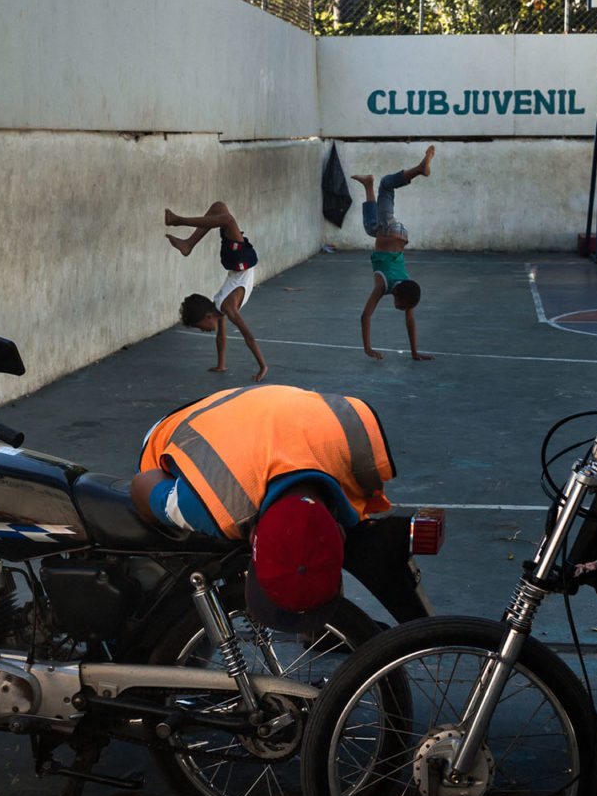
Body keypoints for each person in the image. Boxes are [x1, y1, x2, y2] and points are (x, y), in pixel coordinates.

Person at [130, 384, 430, 627]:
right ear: (339, 534)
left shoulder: (359, 441)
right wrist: (163, 506)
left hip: (261, 402)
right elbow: (143, 483)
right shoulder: (213, 506)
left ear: (253, 536)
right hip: (182, 423)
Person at [166, 202, 267, 382]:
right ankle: (189, 244)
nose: (203, 330)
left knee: (224, 216)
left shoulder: (227, 307)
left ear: (208, 316)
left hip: (239, 261)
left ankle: (179, 222)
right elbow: (222, 336)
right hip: (236, 261)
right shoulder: (220, 306)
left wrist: (262, 366)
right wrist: (221, 364)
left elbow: (247, 335)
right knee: (220, 210)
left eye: (200, 326)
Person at [354, 146, 437, 361]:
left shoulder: (407, 286)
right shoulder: (383, 286)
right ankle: (419, 169)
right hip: (389, 232)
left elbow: (410, 321)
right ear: (398, 296)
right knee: (387, 186)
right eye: (401, 306)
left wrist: (414, 352)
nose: (401, 310)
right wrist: (367, 348)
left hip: (398, 236)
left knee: (370, 227)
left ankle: (367, 184)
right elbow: (365, 316)